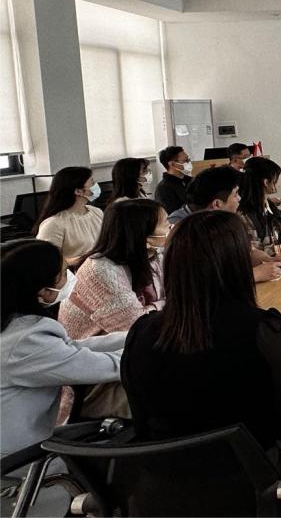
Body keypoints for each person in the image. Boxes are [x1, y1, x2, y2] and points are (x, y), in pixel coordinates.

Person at [121, 210, 281, 450]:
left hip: (163, 468)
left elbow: (141, 422)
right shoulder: (263, 329)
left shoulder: (141, 332)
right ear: (237, 264)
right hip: (251, 466)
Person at [1, 239, 125, 460]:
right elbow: (105, 367)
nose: (70, 276)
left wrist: (134, 336)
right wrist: (147, 350)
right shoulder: (26, 341)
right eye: (63, 273)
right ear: (43, 291)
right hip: (17, 459)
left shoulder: (14, 326)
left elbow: (70, 349)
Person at [59, 200, 168, 343]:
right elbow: (136, 326)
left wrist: (155, 307)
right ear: (144, 236)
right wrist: (163, 305)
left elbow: (179, 295)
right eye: (165, 223)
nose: (170, 227)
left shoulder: (155, 256)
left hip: (130, 340)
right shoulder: (101, 270)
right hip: (91, 348)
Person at [168, 166, 281, 282]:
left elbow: (248, 251)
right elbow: (200, 279)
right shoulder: (181, 229)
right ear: (217, 204)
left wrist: (268, 259)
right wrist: (254, 275)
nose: (239, 199)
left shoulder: (223, 221)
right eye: (235, 194)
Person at [34, 166, 104, 266]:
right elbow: (46, 261)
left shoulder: (96, 212)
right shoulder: (54, 224)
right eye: (92, 182)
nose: (95, 185)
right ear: (78, 191)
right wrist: (84, 260)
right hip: (75, 272)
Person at [154, 145, 192, 214]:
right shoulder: (163, 189)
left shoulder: (191, 180)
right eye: (185, 161)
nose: (189, 163)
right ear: (172, 164)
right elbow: (172, 215)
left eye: (189, 160)